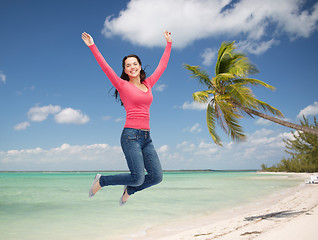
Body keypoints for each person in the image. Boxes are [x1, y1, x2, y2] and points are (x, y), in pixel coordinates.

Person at [82, 31, 172, 205]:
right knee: (137, 177)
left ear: (140, 66)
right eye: (128, 65)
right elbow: (105, 67)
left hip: (147, 137)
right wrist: (92, 46)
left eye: (134, 64)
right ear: (124, 70)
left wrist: (168, 44)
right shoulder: (122, 85)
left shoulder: (148, 84)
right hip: (130, 136)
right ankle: (102, 181)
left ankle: (129, 190)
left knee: (156, 177)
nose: (132, 67)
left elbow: (162, 65)